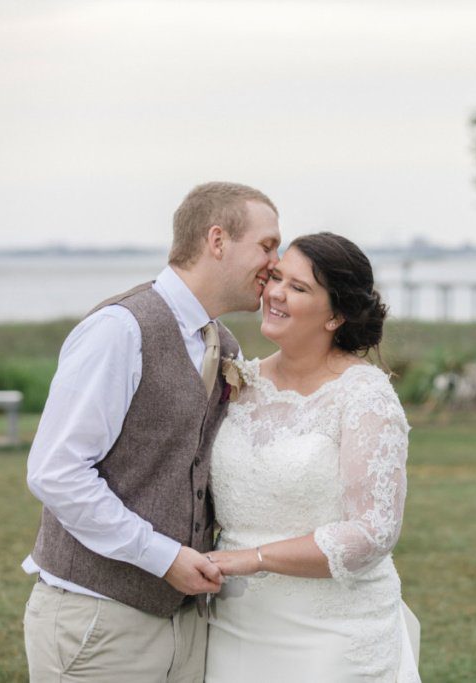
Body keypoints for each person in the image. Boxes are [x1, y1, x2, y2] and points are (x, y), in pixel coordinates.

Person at [22, 182, 281, 682]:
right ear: (218, 240)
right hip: (99, 620)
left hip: (187, 626)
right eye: (267, 245)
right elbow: (56, 472)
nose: (276, 262)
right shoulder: (120, 330)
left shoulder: (221, 342)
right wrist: (162, 558)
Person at [203, 232, 420, 682]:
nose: (276, 293)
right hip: (234, 623)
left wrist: (252, 558)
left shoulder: (365, 397)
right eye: (276, 277)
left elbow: (373, 532)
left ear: (335, 315)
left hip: (332, 635)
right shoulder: (241, 381)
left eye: (299, 288)